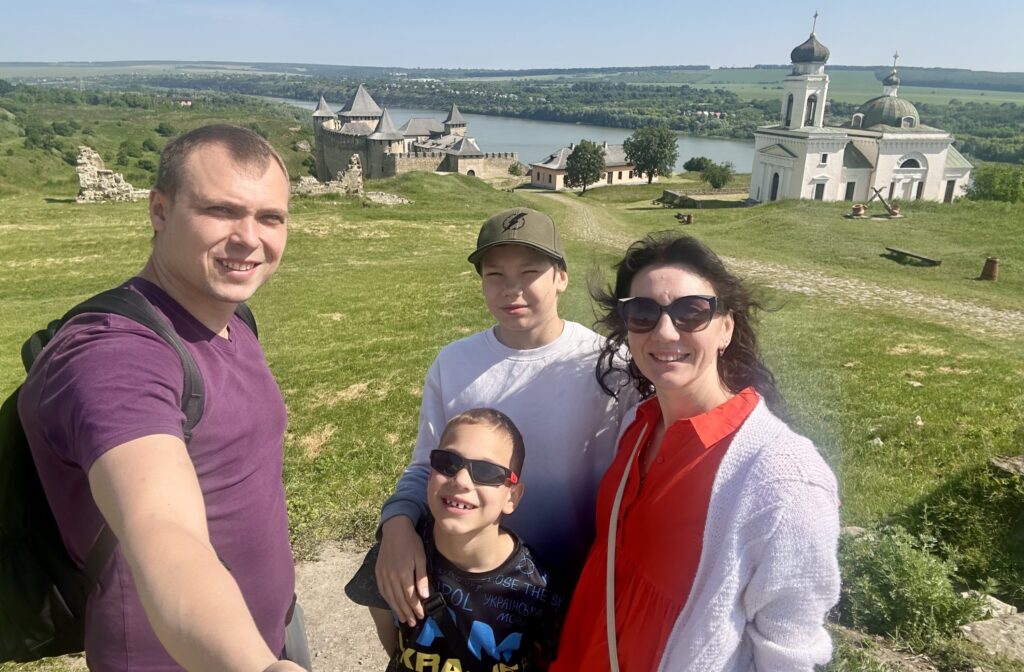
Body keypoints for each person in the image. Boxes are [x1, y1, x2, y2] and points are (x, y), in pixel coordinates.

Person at [18, 124, 309, 671]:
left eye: (271, 217)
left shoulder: (230, 319)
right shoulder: (114, 356)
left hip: (272, 630)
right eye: (221, 211)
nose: (250, 238)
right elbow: (163, 531)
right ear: (159, 210)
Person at [551, 232, 841, 671]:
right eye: (643, 313)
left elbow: (789, 654)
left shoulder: (783, 480)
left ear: (726, 327)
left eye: (691, 312)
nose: (665, 331)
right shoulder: (637, 426)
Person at [369, 207, 631, 651]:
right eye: (495, 275)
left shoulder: (608, 365)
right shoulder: (455, 363)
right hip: (471, 585)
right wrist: (395, 524)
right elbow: (425, 467)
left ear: (561, 277)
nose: (511, 289)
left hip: (576, 577)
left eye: (530, 272)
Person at [347, 408, 565, 671]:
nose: (461, 480)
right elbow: (391, 641)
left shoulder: (539, 589)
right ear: (430, 472)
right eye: (447, 462)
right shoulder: (395, 558)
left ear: (512, 497)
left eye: (486, 471)